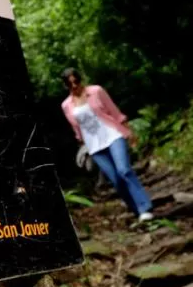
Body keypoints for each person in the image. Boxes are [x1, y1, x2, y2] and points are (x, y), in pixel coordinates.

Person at [60, 68, 154, 223]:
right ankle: (136, 210)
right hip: (94, 145)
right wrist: (82, 146)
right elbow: (76, 127)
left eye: (76, 82)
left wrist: (128, 132)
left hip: (112, 135)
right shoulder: (66, 105)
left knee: (124, 170)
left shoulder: (96, 91)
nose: (75, 86)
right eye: (70, 84)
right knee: (115, 180)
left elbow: (114, 111)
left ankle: (145, 207)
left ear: (80, 80)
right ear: (66, 86)